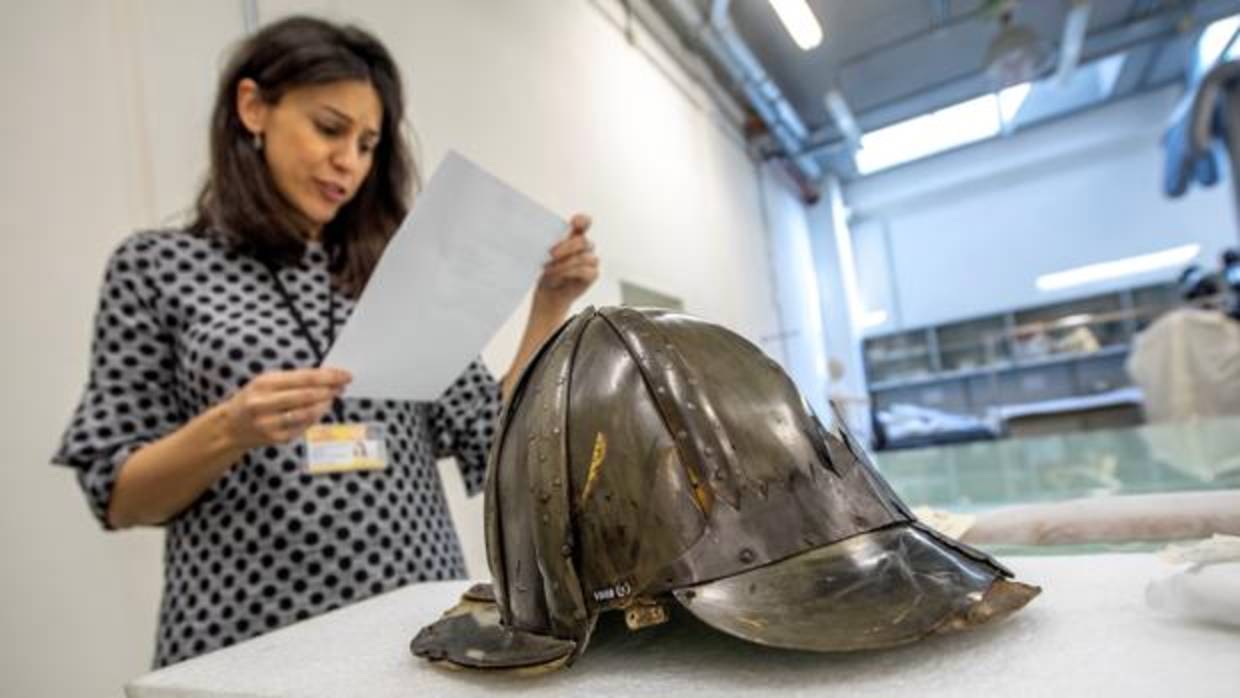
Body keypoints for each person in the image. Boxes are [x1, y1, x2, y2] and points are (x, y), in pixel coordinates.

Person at [51, 16, 599, 668]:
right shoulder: (156, 266)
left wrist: (548, 307)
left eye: (369, 144)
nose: (351, 162)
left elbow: (493, 434)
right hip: (244, 637)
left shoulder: (396, 273)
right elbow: (118, 495)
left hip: (418, 631)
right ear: (253, 107)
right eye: (330, 129)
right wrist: (231, 428)